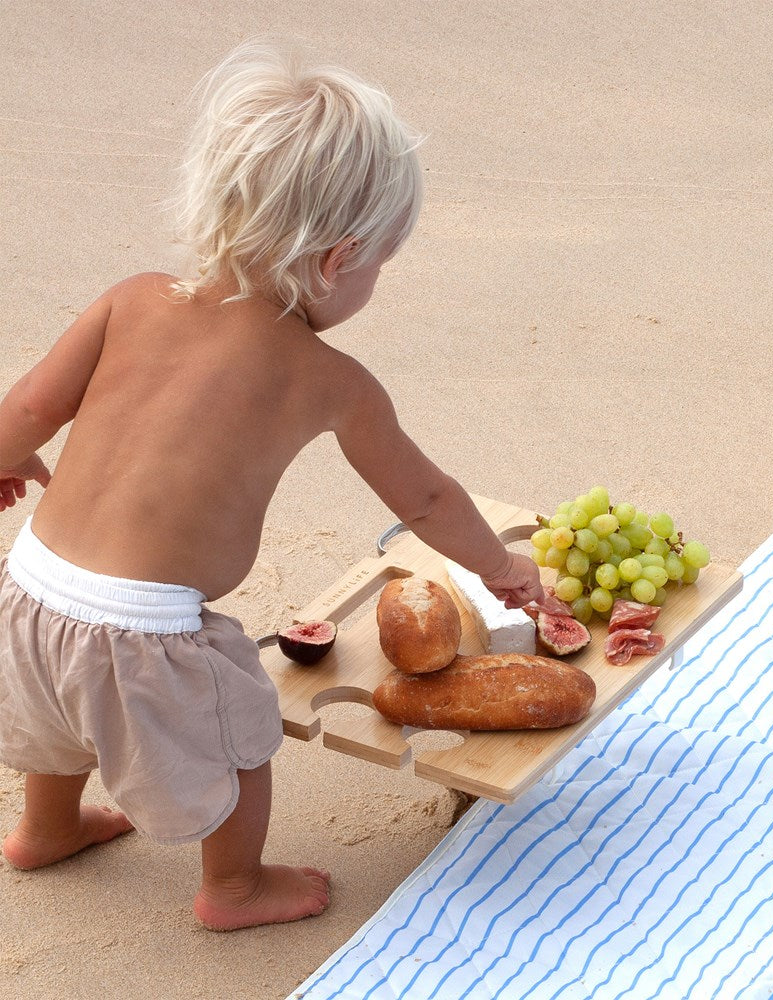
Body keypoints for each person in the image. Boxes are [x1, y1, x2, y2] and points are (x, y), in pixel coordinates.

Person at [0, 40, 544, 931]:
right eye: (378, 267)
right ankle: (235, 889)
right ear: (338, 260)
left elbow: (28, 407)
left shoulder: (133, 297)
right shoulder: (328, 378)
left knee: (58, 720)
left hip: (31, 590)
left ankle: (44, 828)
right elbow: (428, 501)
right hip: (148, 634)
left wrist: (7, 461)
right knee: (241, 739)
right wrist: (503, 570)